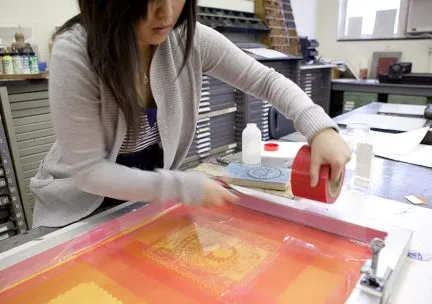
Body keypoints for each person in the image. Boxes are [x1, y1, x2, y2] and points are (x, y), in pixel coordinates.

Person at [30, 0, 351, 228]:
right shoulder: (75, 52)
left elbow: (264, 79)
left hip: (143, 197)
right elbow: (89, 172)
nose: (167, 12)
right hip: (78, 208)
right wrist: (184, 187)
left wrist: (320, 128)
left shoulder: (187, 38)